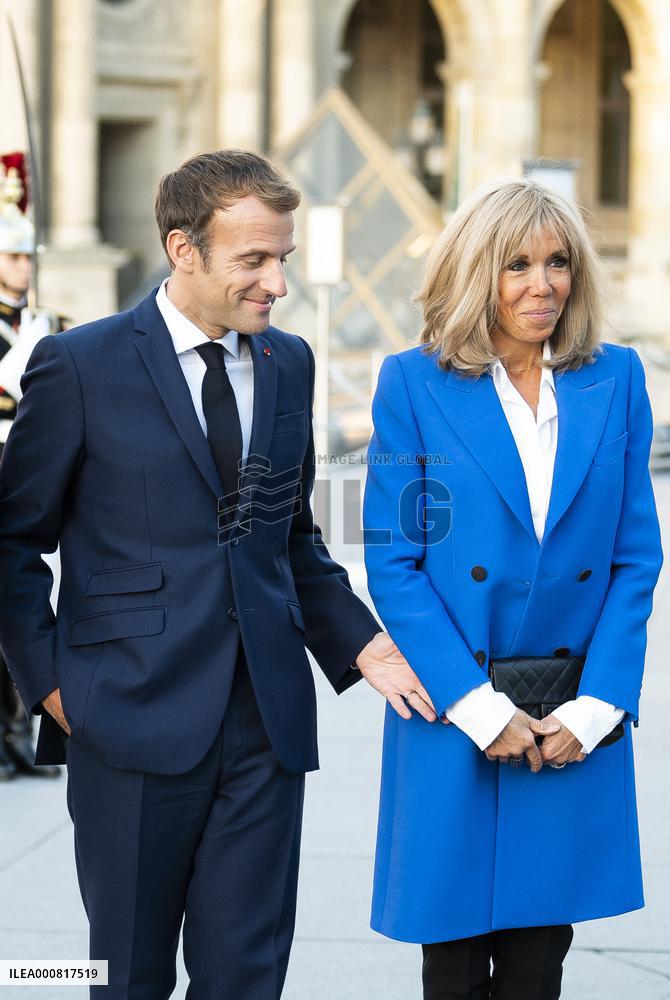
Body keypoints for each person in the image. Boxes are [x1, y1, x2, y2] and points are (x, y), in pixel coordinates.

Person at [0, 149, 429, 999]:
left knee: (247, 977)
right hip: (126, 717)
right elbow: (12, 543)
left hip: (265, 727)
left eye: (284, 259)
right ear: (182, 249)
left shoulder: (288, 362)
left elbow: (289, 536)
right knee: (123, 975)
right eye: (254, 260)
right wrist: (53, 686)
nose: (276, 281)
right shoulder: (79, 365)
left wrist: (364, 645)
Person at [363, 178, 663, 1000]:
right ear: (474, 273)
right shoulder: (411, 385)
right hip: (459, 713)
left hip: (569, 720)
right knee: (452, 967)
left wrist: (598, 708)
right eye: (517, 265)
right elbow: (395, 563)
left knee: (538, 965)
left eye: (558, 262)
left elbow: (636, 557)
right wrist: (481, 710)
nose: (543, 284)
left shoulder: (618, 379)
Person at [0, 153, 60, 781]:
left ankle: (21, 732)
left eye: (26, 258)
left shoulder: (51, 325)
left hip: (30, 472)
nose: (22, 268)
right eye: (13, 257)